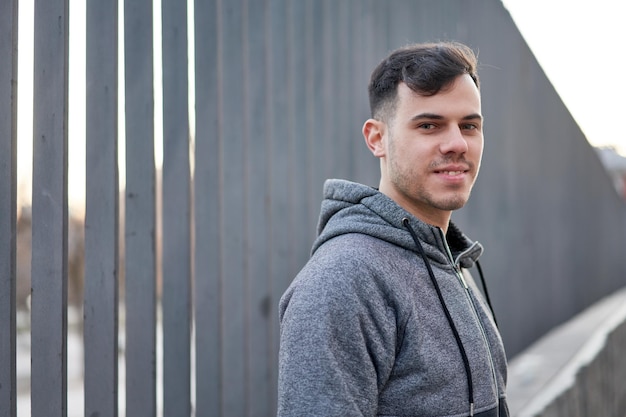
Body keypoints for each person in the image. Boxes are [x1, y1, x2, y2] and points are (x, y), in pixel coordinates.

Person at [277, 42, 509, 416]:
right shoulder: (342, 281)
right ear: (377, 138)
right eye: (429, 125)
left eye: (469, 125)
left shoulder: (449, 260)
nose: (456, 143)